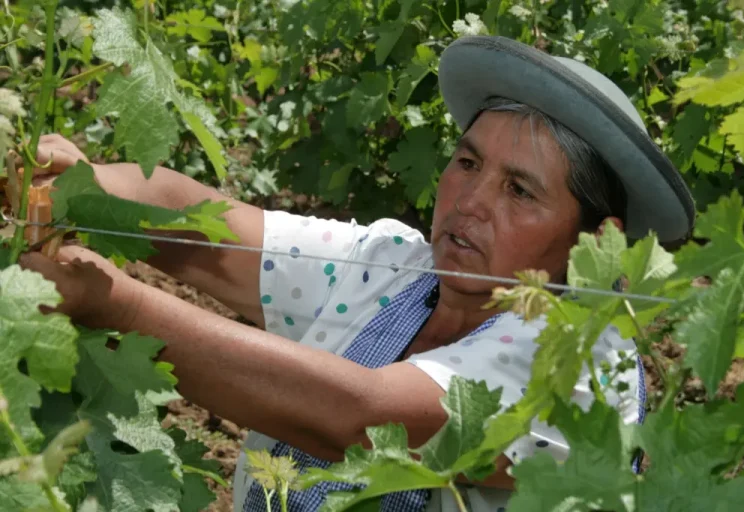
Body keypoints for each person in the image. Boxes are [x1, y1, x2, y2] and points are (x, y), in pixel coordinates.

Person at [20, 35, 695, 511]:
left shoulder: (581, 369)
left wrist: (115, 305)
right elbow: (206, 227)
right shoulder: (396, 266)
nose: (470, 201)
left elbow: (357, 418)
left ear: (594, 241)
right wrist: (80, 186)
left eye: (519, 191)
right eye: (466, 164)